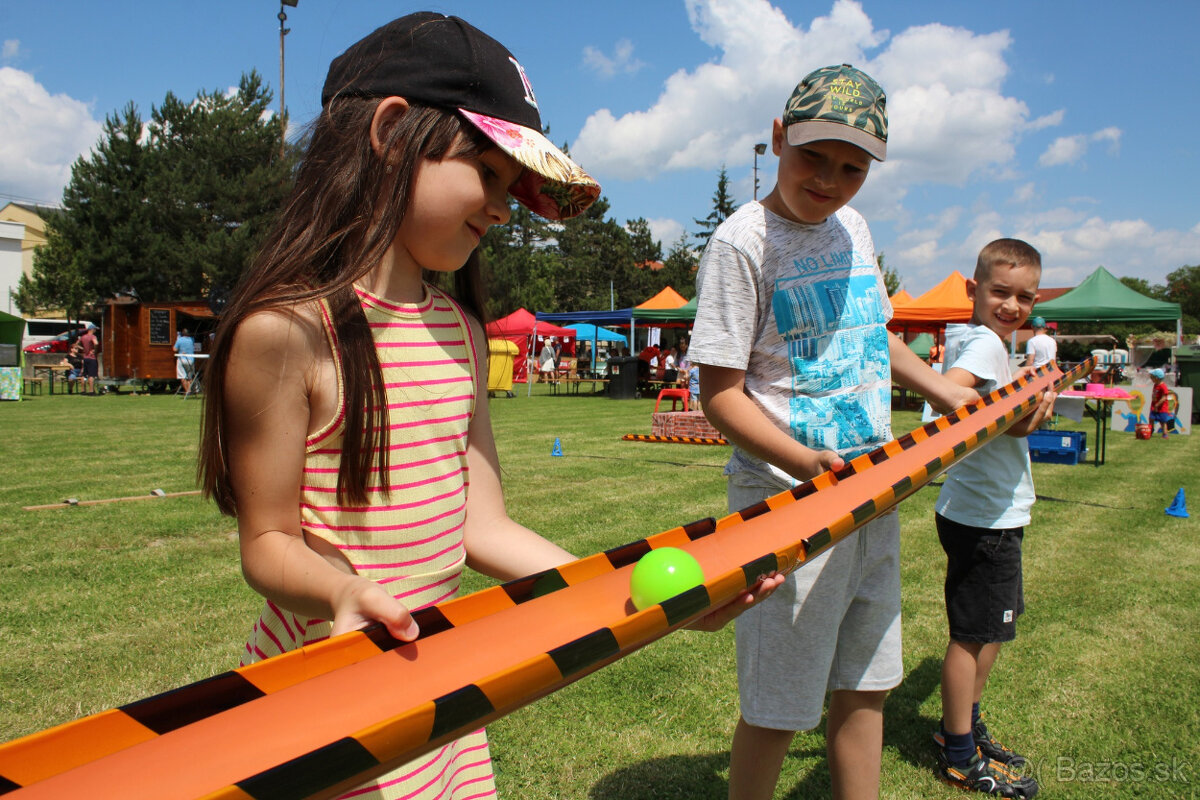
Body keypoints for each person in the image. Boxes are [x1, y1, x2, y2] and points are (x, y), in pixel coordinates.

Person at [197, 14, 775, 799]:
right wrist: (340, 590)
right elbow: (266, 543)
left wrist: (640, 598)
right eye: (489, 174)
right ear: (393, 132)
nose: (503, 209)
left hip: (434, 690)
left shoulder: (463, 333)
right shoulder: (288, 333)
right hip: (325, 697)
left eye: (513, 187)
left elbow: (483, 526)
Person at [689, 64, 979, 800]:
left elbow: (880, 340)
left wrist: (949, 393)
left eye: (852, 168)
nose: (829, 180)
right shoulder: (741, 243)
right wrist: (803, 461)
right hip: (788, 508)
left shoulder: (854, 227)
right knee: (779, 705)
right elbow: (718, 394)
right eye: (813, 156)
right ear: (778, 137)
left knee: (867, 685)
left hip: (873, 498)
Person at [932, 238, 1055, 798]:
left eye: (1024, 297)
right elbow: (951, 401)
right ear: (973, 290)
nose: (1011, 305)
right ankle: (958, 752)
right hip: (985, 517)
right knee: (973, 636)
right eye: (1000, 292)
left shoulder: (982, 340)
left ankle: (967, 729)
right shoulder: (983, 344)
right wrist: (1022, 415)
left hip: (984, 512)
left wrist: (1024, 406)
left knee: (992, 629)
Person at [1148, 368, 1173, 438]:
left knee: (1162, 421)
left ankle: (1165, 434)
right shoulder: (1155, 385)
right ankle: (1150, 430)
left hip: (1162, 408)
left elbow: (1164, 397)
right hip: (1154, 406)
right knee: (1151, 418)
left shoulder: (1163, 386)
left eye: (1152, 377)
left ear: (1156, 378)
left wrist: (1157, 404)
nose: (1150, 378)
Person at [77, 324, 99, 395]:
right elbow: (96, 343)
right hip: (91, 358)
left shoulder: (83, 337)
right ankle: (91, 391)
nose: (95, 330)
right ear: (92, 329)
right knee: (91, 375)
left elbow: (76, 344)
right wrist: (94, 350)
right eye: (95, 329)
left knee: (84, 375)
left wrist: (83, 349)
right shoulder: (93, 336)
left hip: (85, 357)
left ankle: (83, 390)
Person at [174, 328, 196, 395]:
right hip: (191, 359)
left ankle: (187, 391)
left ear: (181, 334)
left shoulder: (179, 340)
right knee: (190, 376)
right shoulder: (192, 339)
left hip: (182, 359)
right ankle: (192, 390)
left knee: (182, 376)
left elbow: (174, 349)